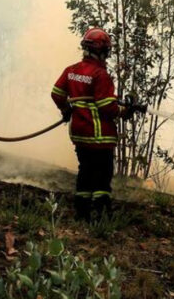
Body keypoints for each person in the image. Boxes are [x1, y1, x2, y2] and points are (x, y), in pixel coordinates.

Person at [50, 28, 144, 220]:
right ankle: (101, 214)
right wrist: (124, 111)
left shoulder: (71, 70)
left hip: (80, 134)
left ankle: (82, 212)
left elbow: (57, 94)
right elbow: (106, 106)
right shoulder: (100, 75)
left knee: (85, 171)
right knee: (102, 176)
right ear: (102, 51)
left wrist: (66, 109)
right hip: (99, 136)